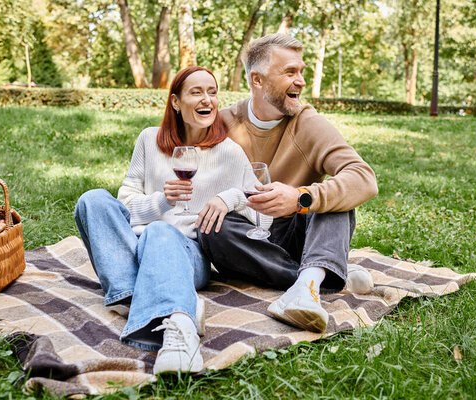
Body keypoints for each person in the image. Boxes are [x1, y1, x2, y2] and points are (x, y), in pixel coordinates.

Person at [74, 66, 269, 374]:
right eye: (197, 92)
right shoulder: (149, 140)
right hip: (135, 246)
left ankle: (180, 327)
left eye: (212, 92)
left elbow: (261, 217)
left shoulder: (230, 152)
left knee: (161, 232)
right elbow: (124, 204)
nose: (207, 100)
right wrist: (162, 200)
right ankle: (142, 297)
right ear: (176, 102)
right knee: (92, 200)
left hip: (187, 254)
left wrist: (229, 198)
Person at [197, 34, 379, 334]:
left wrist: (300, 198)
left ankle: (306, 287)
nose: (301, 81)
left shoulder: (308, 123)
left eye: (302, 71)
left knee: (332, 200)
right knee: (210, 225)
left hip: (296, 234)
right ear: (257, 80)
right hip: (247, 242)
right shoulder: (222, 124)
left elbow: (363, 179)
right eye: (290, 72)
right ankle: (323, 275)